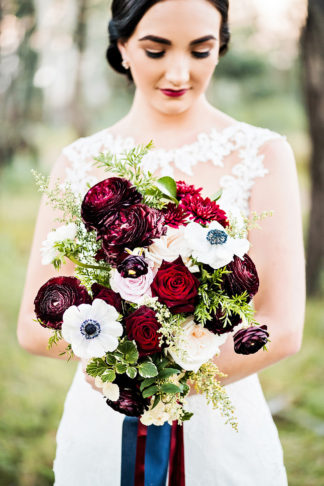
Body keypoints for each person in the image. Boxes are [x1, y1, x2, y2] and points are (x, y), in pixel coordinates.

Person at [17, 0, 306, 484]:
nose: (179, 72)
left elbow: (283, 326)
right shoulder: (80, 161)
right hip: (105, 420)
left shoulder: (265, 154)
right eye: (156, 50)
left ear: (222, 46)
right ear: (123, 45)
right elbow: (33, 324)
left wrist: (168, 380)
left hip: (223, 423)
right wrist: (119, 369)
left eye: (201, 50)